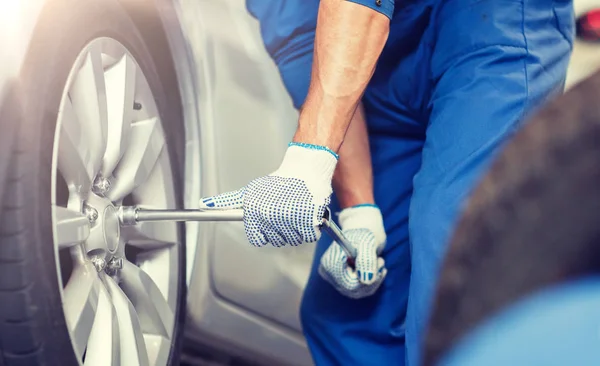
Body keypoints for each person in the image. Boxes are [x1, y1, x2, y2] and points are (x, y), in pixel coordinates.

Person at [199, 0, 574, 364]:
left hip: (492, 24)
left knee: (452, 251)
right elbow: (305, 48)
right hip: (378, 53)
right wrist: (361, 213)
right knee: (346, 314)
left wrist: (307, 160)